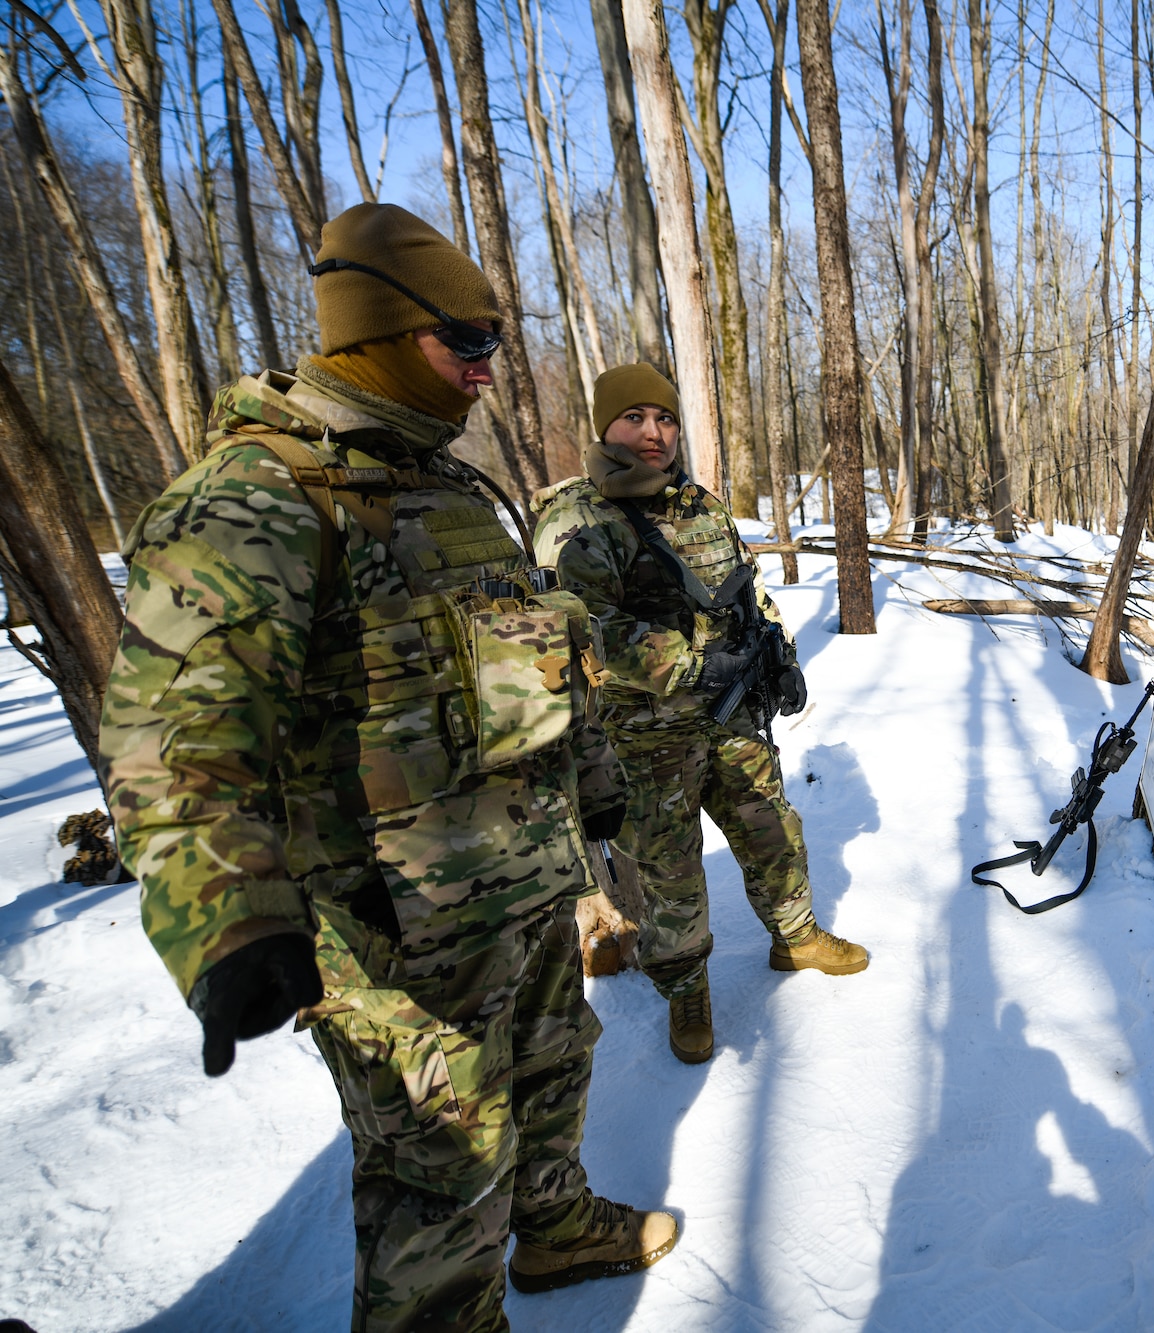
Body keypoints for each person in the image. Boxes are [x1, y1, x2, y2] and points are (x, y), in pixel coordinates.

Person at [99, 203, 675, 1330]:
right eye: (466, 347)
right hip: (388, 933)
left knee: (555, 1069)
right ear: (380, 331)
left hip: (517, 891)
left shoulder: (449, 492)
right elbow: (172, 735)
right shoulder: (257, 496)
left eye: (493, 349)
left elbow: (540, 656)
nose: (486, 378)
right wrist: (225, 920)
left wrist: (590, 777)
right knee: (441, 1167)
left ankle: (552, 1229)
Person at [532, 364, 867, 1066]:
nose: (653, 433)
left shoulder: (699, 505)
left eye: (664, 418)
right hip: (644, 737)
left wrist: (779, 652)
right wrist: (686, 665)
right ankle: (686, 987)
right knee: (670, 871)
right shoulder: (576, 517)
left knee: (772, 827)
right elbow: (583, 624)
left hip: (731, 715)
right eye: (635, 418)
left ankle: (795, 934)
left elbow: (744, 587)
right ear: (605, 426)